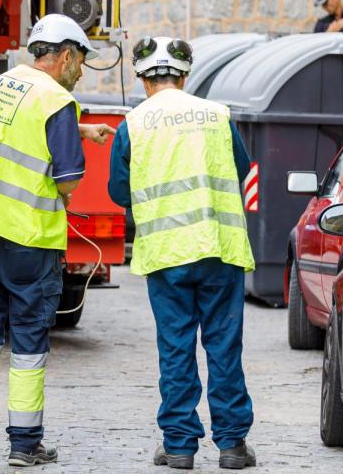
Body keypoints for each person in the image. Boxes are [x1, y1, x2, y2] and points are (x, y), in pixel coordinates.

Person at [0, 13, 114, 468]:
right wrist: (74, 138)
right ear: (63, 56)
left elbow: (17, 134)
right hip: (27, 238)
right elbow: (67, 181)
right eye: (79, 61)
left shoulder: (0, 87)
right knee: (27, 343)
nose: (79, 72)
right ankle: (24, 444)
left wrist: (77, 129)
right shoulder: (57, 99)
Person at [108, 36, 257, 470]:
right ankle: (231, 446)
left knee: (176, 348)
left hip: (166, 254)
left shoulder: (132, 125)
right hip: (219, 248)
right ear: (184, 75)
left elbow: (120, 191)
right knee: (224, 347)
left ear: (141, 78)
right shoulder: (217, 115)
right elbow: (242, 167)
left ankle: (178, 445)